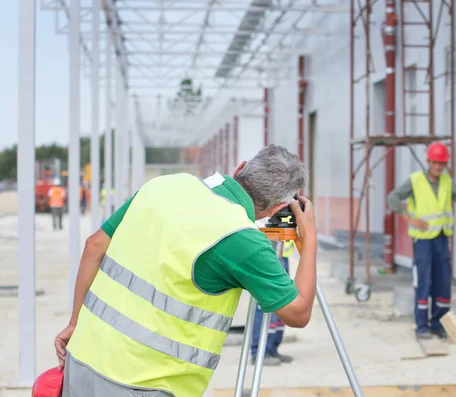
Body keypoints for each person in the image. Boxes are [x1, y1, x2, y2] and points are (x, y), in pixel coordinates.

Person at [54, 144, 318, 397]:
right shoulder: (242, 239)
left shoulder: (168, 184)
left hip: (83, 357)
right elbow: (298, 312)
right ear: (278, 208)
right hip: (143, 384)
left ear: (240, 169)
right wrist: (310, 239)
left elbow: (94, 246)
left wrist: (75, 322)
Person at [387, 142, 456, 340]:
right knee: (423, 282)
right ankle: (422, 326)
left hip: (442, 240)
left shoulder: (447, 181)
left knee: (442, 283)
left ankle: (439, 324)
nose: (438, 167)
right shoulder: (415, 180)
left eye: (442, 163)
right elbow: (393, 198)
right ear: (428, 161)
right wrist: (409, 218)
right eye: (435, 163)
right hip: (423, 242)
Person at [251, 240, 296, 366]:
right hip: (269, 250)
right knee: (267, 304)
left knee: (282, 302)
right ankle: (260, 352)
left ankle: (272, 349)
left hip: (281, 251)